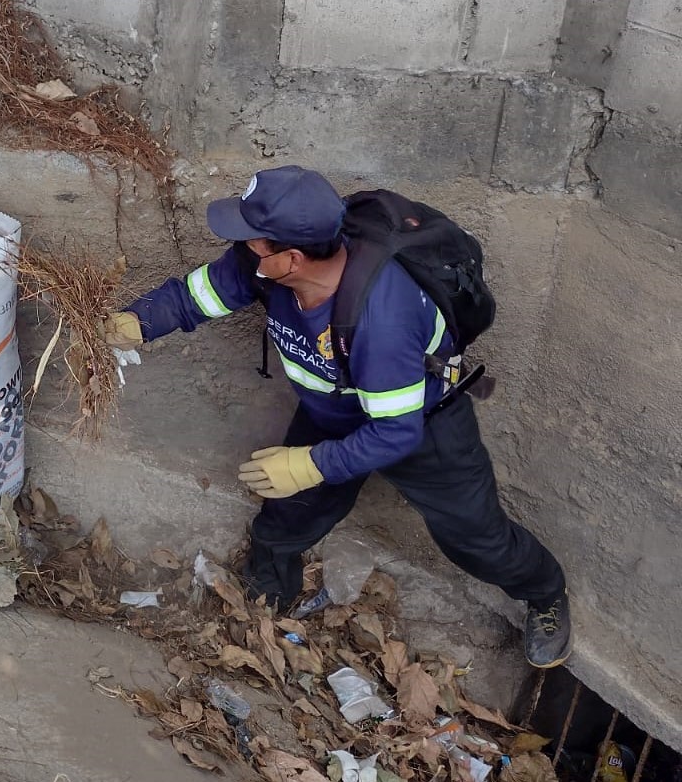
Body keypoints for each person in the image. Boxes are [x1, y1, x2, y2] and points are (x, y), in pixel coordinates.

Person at [105, 166, 571, 668]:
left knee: (475, 538)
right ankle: (268, 586)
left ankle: (544, 592)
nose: (241, 248)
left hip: (420, 426)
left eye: (251, 240)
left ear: (292, 258)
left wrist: (311, 465)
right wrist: (141, 321)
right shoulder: (265, 264)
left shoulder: (380, 321)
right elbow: (199, 294)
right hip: (332, 408)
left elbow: (395, 432)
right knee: (287, 513)